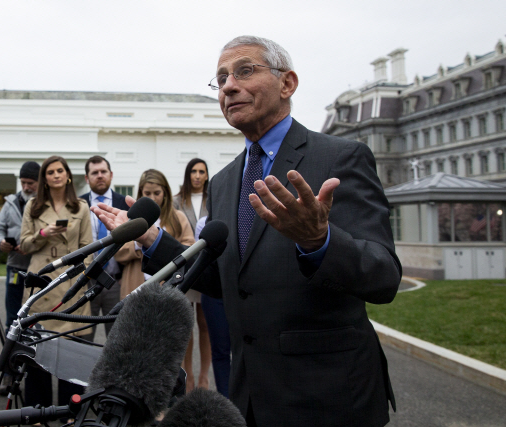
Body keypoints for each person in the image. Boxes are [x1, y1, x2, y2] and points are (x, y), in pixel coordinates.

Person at [92, 36, 401, 427]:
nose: (228, 87)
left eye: (244, 71)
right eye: (220, 79)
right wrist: (151, 239)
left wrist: (318, 241)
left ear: (287, 84)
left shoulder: (341, 158)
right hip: (249, 398)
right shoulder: (222, 183)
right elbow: (224, 280)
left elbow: (384, 277)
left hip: (331, 397)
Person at [19, 155, 93, 410]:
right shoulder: (33, 206)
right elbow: (24, 244)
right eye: (50, 172)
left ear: (68, 175)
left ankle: (69, 412)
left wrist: (83, 276)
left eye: (60, 170)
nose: (56, 175)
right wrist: (43, 233)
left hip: (70, 284)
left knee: (71, 356)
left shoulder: (80, 207)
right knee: (38, 351)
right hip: (41, 283)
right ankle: (36, 412)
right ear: (45, 179)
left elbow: (87, 248)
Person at [0, 160, 40, 395]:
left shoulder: (45, 204)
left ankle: (35, 373)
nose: (26, 187)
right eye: (23, 182)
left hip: (38, 270)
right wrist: (1, 243)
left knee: (37, 322)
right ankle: (9, 375)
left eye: (31, 182)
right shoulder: (10, 203)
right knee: (13, 321)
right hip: (15, 269)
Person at [115, 169, 194, 299]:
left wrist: (167, 248)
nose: (152, 198)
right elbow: (117, 252)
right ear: (140, 193)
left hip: (169, 285)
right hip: (136, 284)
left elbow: (190, 247)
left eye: (157, 193)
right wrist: (138, 244)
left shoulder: (178, 217)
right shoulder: (131, 218)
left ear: (165, 193)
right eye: (147, 193)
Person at [79, 155, 129, 340]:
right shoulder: (78, 205)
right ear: (87, 178)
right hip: (86, 282)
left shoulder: (124, 204)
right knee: (82, 340)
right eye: (94, 173)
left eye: (103, 172)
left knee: (117, 340)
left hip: (116, 283)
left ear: (111, 174)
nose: (100, 176)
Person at [173, 158, 212, 392]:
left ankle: (204, 376)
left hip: (207, 267)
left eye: (202, 172)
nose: (197, 176)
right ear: (188, 175)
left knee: (205, 323)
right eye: (194, 172)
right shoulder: (177, 201)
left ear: (207, 175)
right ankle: (187, 375)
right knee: (186, 325)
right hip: (186, 268)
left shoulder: (214, 198)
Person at [195, 216, 231, 398]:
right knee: (220, 350)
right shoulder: (205, 224)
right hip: (215, 294)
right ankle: (226, 399)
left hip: (243, 289)